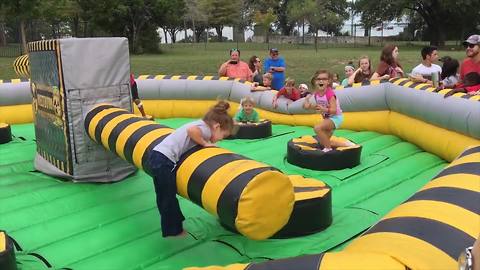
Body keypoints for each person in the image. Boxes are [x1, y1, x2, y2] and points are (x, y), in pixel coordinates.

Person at [148, 101, 234, 237]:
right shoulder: (204, 129)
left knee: (166, 194)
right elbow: (191, 131)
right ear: (217, 127)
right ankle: (173, 231)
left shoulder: (201, 124)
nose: (219, 140)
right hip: (163, 160)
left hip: (158, 156)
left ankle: (176, 223)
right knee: (167, 197)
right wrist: (206, 143)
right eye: (222, 136)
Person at [303, 70, 354, 152]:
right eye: (318, 79)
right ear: (315, 81)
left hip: (336, 118)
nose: (321, 81)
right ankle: (346, 144)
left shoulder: (330, 94)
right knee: (323, 142)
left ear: (328, 81)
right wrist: (308, 103)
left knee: (317, 128)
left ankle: (328, 149)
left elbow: (334, 110)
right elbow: (316, 107)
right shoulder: (316, 94)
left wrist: (324, 109)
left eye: (324, 79)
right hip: (327, 119)